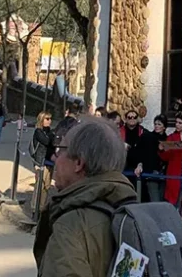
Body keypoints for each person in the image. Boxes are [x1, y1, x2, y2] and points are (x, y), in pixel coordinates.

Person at [33, 117, 136, 277]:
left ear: (79, 162)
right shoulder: (131, 211)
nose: (56, 157)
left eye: (60, 150)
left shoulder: (70, 226)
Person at [131, 114, 165, 203]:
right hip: (151, 173)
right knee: (155, 200)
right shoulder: (147, 136)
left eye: (159, 124)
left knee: (162, 200)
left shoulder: (167, 139)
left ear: (164, 126)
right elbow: (138, 151)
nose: (157, 126)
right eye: (155, 124)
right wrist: (140, 164)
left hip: (163, 174)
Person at [31, 111, 55, 212]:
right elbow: (46, 141)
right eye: (47, 119)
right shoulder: (38, 131)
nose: (49, 121)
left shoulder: (50, 132)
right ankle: (34, 208)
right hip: (40, 162)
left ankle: (41, 208)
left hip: (49, 161)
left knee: (46, 186)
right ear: (41, 120)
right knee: (39, 186)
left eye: (50, 119)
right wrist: (52, 136)